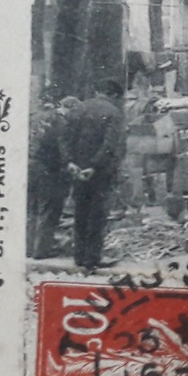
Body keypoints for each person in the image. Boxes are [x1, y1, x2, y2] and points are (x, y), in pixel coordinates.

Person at [62, 80, 127, 270]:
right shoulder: (114, 113)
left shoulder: (77, 109)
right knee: (97, 215)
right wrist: (94, 166)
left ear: (98, 91)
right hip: (99, 172)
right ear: (114, 95)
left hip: (77, 169)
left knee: (80, 213)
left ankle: (79, 256)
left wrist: (70, 162)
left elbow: (64, 138)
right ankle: (92, 258)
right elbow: (109, 146)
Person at [27, 95, 78, 259]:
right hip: (48, 169)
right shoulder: (62, 123)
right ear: (71, 108)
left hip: (29, 165)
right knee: (48, 209)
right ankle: (42, 250)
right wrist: (70, 164)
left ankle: (28, 248)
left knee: (32, 208)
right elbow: (64, 149)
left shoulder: (36, 116)